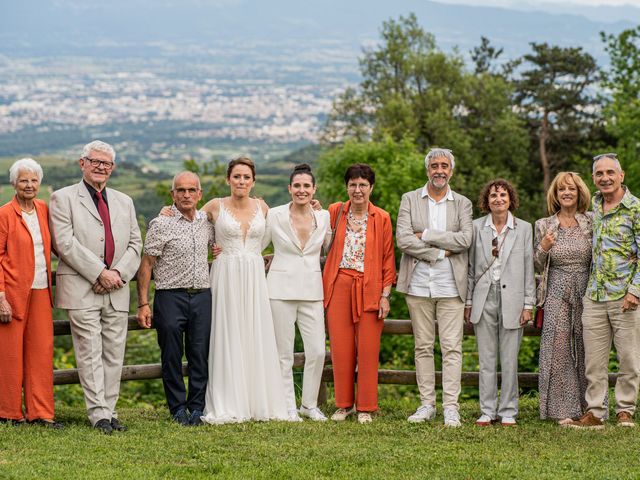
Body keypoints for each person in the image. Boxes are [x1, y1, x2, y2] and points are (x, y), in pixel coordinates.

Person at [49, 140, 142, 434]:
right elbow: (64, 243)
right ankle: (98, 414)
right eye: (95, 162)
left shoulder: (124, 201)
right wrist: (99, 273)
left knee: (114, 353)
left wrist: (116, 273)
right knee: (89, 352)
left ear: (112, 168)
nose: (101, 167)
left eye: (106, 164)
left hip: (117, 287)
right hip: (82, 287)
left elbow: (135, 244)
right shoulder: (62, 198)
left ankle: (110, 411)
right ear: (82, 163)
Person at [200, 156, 289, 423]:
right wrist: (169, 211)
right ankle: (229, 400)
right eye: (236, 176)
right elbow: (190, 224)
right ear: (228, 179)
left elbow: (284, 225)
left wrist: (315, 209)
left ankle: (256, 400)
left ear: (253, 181)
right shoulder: (215, 206)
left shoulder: (262, 206)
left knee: (254, 331)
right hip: (225, 273)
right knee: (227, 331)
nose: (241, 181)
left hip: (253, 274)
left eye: (246, 177)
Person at [396, 148, 473, 427]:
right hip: (417, 286)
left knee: (452, 348)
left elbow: (464, 240)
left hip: (451, 286)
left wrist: (427, 235)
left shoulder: (462, 203)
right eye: (434, 165)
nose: (439, 170)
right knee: (423, 346)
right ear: (427, 169)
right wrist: (440, 252)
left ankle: (451, 406)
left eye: (444, 166)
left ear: (451, 171)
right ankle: (427, 403)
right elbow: (404, 239)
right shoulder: (410, 199)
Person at [136, 171, 215, 426]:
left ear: (200, 194)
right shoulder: (161, 224)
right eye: (180, 190)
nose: (186, 195)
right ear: (173, 194)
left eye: (192, 190)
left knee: (199, 354)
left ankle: (197, 408)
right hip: (170, 296)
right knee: (171, 354)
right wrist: (143, 303)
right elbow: (147, 265)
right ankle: (177, 408)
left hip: (202, 295)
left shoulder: (207, 222)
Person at [568, 153, 640, 429]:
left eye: (611, 172)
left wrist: (635, 291)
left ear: (621, 176)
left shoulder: (635, 209)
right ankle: (595, 412)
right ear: (594, 179)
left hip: (626, 297)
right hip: (594, 295)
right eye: (599, 174)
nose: (605, 178)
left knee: (629, 358)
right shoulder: (593, 209)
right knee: (594, 361)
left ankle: (625, 409)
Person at [322, 163, 396, 424]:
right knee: (341, 348)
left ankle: (366, 406)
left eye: (363, 184)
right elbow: (310, 224)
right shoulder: (335, 212)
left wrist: (385, 295)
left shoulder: (382, 217)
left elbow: (388, 258)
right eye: (353, 184)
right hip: (338, 285)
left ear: (371, 188)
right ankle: (344, 405)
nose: (357, 190)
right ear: (347, 187)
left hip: (370, 287)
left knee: (367, 349)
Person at [262, 164, 332, 422]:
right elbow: (257, 243)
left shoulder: (323, 217)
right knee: (284, 353)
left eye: (306, 186)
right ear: (289, 188)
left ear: (314, 190)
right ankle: (288, 406)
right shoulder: (275, 215)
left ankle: (309, 405)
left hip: (313, 290)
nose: (302, 190)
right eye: (297, 186)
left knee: (317, 351)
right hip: (279, 290)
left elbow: (330, 246)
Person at [465, 179, 535, 426]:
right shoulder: (475, 228)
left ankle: (508, 411)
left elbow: (528, 268)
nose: (498, 199)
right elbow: (471, 269)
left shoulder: (524, 228)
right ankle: (487, 410)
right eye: (493, 195)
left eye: (503, 195)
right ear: (487, 200)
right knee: (486, 359)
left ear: (510, 199)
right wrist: (468, 301)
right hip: (484, 298)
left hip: (513, 299)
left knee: (509, 360)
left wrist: (528, 304)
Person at [0, 158, 62, 429]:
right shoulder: (4, 214)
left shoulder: (43, 208)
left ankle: (41, 414)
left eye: (34, 180)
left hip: (40, 291)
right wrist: (0, 296)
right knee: (9, 355)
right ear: (14, 183)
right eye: (23, 180)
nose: (29, 185)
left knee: (41, 353)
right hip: (11, 293)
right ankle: (9, 413)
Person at [534, 172, 592, 425]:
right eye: (561, 190)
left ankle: (589, 408)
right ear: (555, 196)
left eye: (571, 189)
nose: (566, 193)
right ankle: (561, 410)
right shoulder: (543, 225)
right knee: (557, 350)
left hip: (587, 291)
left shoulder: (591, 222)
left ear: (580, 193)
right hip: (556, 290)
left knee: (587, 348)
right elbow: (535, 264)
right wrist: (544, 247)